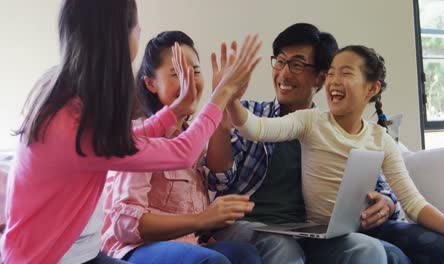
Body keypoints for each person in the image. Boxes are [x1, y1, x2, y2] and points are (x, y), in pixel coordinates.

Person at [0, 0, 263, 262]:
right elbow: (181, 152)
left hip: (83, 254)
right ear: (119, 37)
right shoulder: (74, 125)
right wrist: (222, 94)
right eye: (136, 27)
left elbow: (123, 140)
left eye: (194, 70)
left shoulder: (65, 94)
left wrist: (174, 111)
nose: (139, 33)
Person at [227, 44, 444, 263]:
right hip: (323, 235)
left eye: (346, 73)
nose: (334, 80)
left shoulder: (379, 138)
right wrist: (231, 97)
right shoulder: (311, 121)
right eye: (331, 73)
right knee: (379, 253)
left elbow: (413, 202)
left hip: (367, 226)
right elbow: (255, 128)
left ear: (372, 88)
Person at [205, 23, 404, 264]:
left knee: (366, 248)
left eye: (297, 65)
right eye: (280, 61)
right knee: (282, 247)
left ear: (321, 78)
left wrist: (387, 203)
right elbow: (218, 180)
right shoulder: (250, 114)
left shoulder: (332, 129)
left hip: (312, 232)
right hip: (247, 226)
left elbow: (380, 184)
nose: (284, 73)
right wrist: (223, 121)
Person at [101, 31, 261, 264]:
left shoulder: (194, 134)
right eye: (177, 73)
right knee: (213, 261)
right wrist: (203, 219)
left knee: (246, 254)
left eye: (195, 71)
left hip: (189, 244)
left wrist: (226, 102)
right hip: (135, 248)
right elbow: (126, 225)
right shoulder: (141, 134)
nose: (190, 81)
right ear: (150, 83)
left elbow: (220, 177)